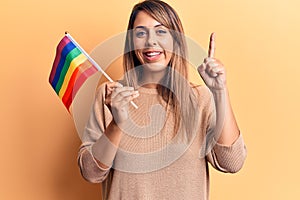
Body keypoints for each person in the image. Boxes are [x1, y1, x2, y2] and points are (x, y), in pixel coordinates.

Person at [77, 0, 247, 199]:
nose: (151, 42)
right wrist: (117, 124)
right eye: (141, 33)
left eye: (161, 31)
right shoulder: (110, 95)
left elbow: (231, 162)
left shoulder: (200, 99)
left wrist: (220, 91)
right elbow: (90, 173)